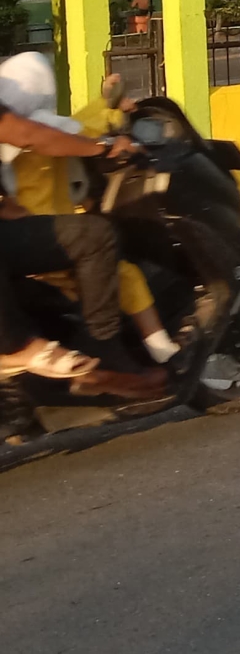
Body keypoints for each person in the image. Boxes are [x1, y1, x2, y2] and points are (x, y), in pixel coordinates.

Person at [0, 60, 164, 403]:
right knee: (96, 236)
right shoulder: (39, 123)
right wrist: (105, 145)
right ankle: (104, 352)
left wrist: (107, 104)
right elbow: (33, 135)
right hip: (16, 232)